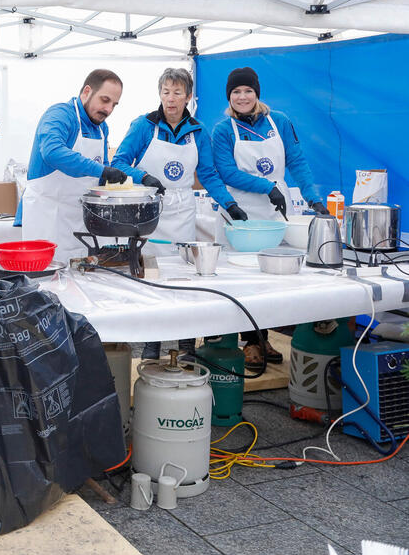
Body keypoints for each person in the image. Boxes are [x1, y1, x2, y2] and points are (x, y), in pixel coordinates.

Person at [112, 67, 244, 359]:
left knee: (184, 279)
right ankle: (151, 344)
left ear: (188, 97)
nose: (171, 99)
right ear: (159, 94)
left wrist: (229, 204)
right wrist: (142, 176)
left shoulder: (198, 131)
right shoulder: (144, 125)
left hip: (183, 211)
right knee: (152, 277)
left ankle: (186, 345)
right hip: (149, 212)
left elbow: (208, 174)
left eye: (177, 93)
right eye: (166, 92)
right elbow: (119, 161)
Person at [212, 66, 328, 370]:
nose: (242, 96)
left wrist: (314, 197)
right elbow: (227, 172)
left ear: (257, 93)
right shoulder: (224, 130)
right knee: (241, 279)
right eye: (236, 92)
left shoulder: (280, 122)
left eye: (247, 90)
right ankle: (249, 341)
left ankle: (263, 338)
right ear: (229, 96)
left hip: (275, 211)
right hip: (240, 212)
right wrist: (267, 186)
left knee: (270, 279)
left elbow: (298, 161)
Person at [17, 69, 128, 262]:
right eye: (104, 100)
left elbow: (104, 167)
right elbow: (52, 152)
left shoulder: (102, 128)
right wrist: (101, 170)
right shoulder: (60, 115)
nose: (108, 109)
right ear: (86, 92)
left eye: (114, 105)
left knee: (80, 277)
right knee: (48, 279)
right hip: (48, 216)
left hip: (80, 218)